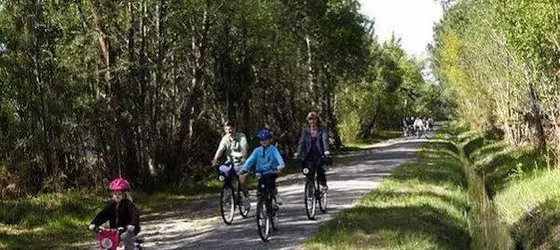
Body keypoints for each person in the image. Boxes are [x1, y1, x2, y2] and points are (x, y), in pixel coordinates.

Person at [89, 177, 140, 250]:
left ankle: (132, 247)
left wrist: (132, 224)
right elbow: (103, 214)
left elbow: (134, 214)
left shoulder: (128, 204)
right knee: (106, 242)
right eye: (115, 194)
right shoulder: (111, 205)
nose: (117, 196)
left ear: (124, 195)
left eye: (119, 194)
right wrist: (94, 223)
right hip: (114, 230)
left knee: (124, 237)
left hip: (127, 230)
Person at [242, 129, 286, 205]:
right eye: (262, 140)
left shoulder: (273, 149)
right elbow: (250, 160)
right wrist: (244, 168)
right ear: (259, 141)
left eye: (266, 139)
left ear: (269, 139)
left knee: (270, 184)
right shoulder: (257, 150)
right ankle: (261, 203)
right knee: (260, 188)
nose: (264, 141)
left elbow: (279, 158)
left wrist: (280, 166)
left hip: (271, 171)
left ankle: (275, 195)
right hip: (260, 173)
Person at [212, 121, 250, 206]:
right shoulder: (225, 139)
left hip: (241, 162)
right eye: (226, 129)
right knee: (224, 174)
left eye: (230, 129)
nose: (229, 131)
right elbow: (220, 150)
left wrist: (244, 158)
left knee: (242, 181)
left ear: (234, 128)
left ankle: (246, 198)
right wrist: (215, 159)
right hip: (230, 163)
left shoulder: (241, 136)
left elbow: (244, 149)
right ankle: (228, 193)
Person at [295, 112, 330, 192]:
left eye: (314, 119)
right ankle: (310, 190)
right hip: (308, 154)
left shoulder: (322, 129)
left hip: (319, 153)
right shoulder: (305, 130)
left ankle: (323, 184)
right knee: (309, 172)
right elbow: (302, 141)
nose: (312, 121)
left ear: (317, 120)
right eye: (310, 119)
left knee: (320, 169)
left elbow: (325, 140)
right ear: (308, 121)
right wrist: (298, 152)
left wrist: (326, 151)